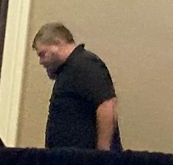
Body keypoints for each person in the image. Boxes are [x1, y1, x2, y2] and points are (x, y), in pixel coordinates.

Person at [32, 22, 122, 151]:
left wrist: (102, 154)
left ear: (57, 43)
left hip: (85, 159)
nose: (41, 61)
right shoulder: (69, 70)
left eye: (42, 54)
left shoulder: (85, 64)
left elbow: (107, 104)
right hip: (71, 157)